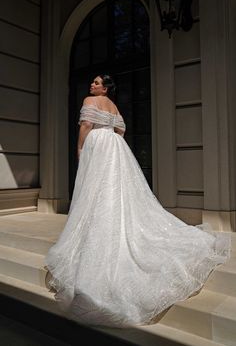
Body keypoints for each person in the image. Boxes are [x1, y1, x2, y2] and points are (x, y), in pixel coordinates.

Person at [45, 74, 231, 328]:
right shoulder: (113, 105)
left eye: (97, 82)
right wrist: (110, 134)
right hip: (115, 146)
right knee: (115, 190)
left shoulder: (91, 100)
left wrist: (80, 149)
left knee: (96, 190)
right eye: (93, 83)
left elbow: (86, 125)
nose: (92, 85)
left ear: (105, 88)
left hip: (98, 145)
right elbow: (121, 129)